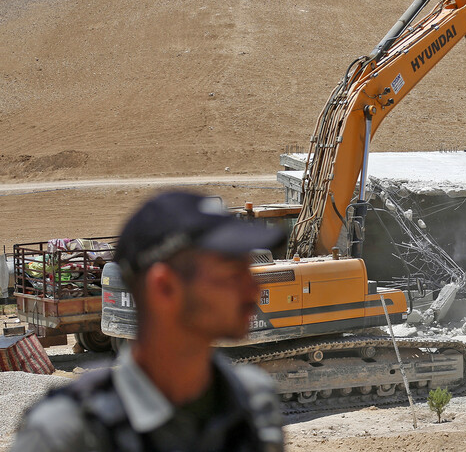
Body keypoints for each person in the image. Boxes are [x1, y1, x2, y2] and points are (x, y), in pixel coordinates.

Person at [13, 191, 287, 452]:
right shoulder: (64, 434)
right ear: (164, 288)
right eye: (231, 275)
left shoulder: (253, 401)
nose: (253, 289)